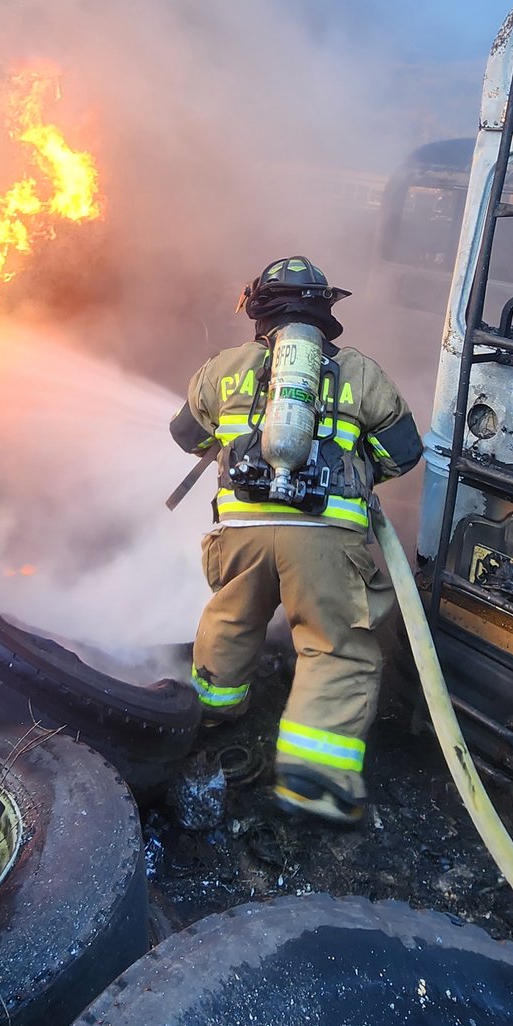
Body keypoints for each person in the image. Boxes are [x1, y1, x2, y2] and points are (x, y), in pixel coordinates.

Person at [168, 256, 424, 825]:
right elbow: (405, 452)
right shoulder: (362, 373)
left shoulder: (222, 368)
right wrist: (358, 470)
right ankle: (315, 779)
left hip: (241, 535)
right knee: (336, 646)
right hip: (327, 541)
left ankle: (211, 709)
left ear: (258, 311)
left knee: (231, 618)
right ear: (325, 312)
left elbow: (186, 436)